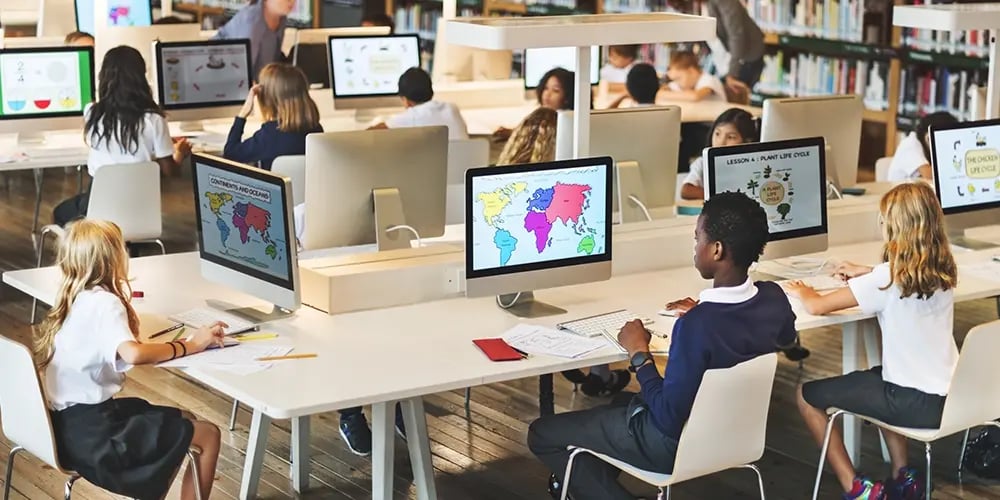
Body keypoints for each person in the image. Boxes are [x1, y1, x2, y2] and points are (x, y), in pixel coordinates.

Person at [529, 191, 797, 500]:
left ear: (717, 250)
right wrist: (705, 310)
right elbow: (785, 335)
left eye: (698, 238)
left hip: (675, 443)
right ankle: (587, 486)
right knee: (621, 405)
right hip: (733, 435)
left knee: (542, 432)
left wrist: (639, 353)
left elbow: (667, 417)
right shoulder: (772, 298)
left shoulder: (697, 326)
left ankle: (593, 489)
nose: (695, 247)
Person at [786, 182, 958, 500]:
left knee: (805, 396)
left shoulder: (886, 279)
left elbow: (817, 306)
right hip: (952, 398)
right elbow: (896, 279)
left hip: (908, 401)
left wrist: (802, 290)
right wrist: (867, 272)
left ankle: (856, 487)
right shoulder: (943, 270)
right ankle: (903, 476)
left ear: (892, 228)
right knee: (878, 377)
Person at [37, 219, 224, 500]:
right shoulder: (105, 303)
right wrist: (191, 345)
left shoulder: (73, 297)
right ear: (115, 258)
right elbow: (133, 354)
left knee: (185, 419)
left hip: (66, 431)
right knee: (208, 435)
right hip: (99, 441)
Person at [53, 45, 191, 227]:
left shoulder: (92, 112)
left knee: (59, 213)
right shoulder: (155, 119)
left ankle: (83, 252)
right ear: (142, 78)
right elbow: (169, 171)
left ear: (104, 78)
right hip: (141, 211)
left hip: (97, 210)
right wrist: (179, 154)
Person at [223, 63, 322, 171]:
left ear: (267, 97)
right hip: (311, 188)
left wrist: (243, 114)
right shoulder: (317, 131)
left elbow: (230, 154)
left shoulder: (268, 135)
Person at [369, 67, 469, 140]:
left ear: (406, 101)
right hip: (467, 167)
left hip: (440, 168)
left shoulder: (411, 116)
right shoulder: (452, 108)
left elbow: (365, 135)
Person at [681, 107, 757, 200]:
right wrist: (720, 197)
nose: (720, 142)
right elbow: (686, 190)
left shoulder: (752, 165)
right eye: (717, 134)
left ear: (747, 142)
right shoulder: (702, 162)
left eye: (730, 137)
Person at [214, 0, 295, 78]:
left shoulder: (281, 18)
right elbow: (242, 73)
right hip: (223, 75)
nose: (292, 1)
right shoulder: (252, 21)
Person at [494, 67, 575, 140]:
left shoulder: (565, 124)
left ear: (567, 96)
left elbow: (540, 135)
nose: (547, 94)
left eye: (555, 90)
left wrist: (514, 134)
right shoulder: (541, 118)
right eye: (546, 88)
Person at [706, 0, 765, 90]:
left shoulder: (725, 2)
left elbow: (736, 35)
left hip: (745, 57)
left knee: (735, 96)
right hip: (721, 59)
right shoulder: (690, 4)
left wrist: (732, 74)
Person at [887, 111, 959, 182]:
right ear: (928, 137)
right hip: (899, 192)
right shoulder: (910, 144)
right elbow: (930, 176)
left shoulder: (925, 148)